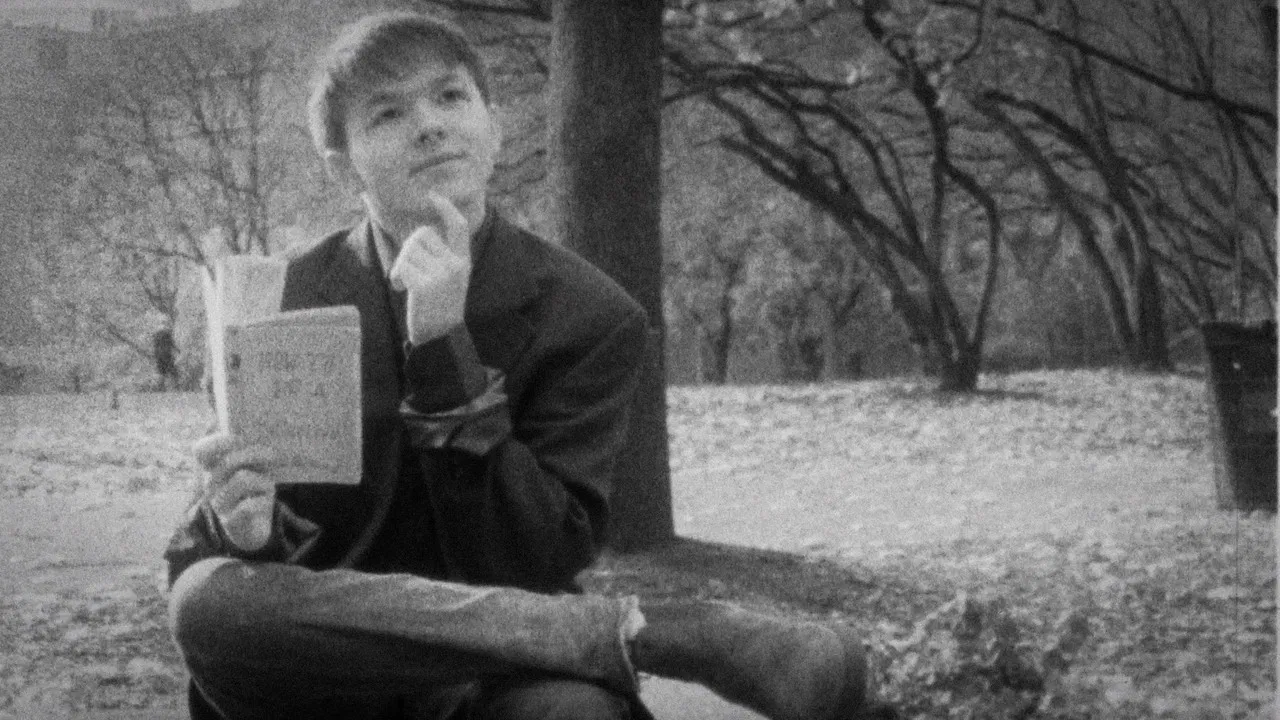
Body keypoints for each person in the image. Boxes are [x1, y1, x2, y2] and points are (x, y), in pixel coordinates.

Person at [164, 10, 888, 720]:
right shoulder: (279, 298)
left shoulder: (591, 315)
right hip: (326, 680)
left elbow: (535, 560)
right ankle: (643, 636)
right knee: (206, 601)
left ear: (495, 128)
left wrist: (444, 349)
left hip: (501, 685)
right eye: (387, 113)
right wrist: (246, 532)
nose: (429, 125)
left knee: (576, 712)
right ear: (341, 165)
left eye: (450, 96)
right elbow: (205, 554)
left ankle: (596, 643)